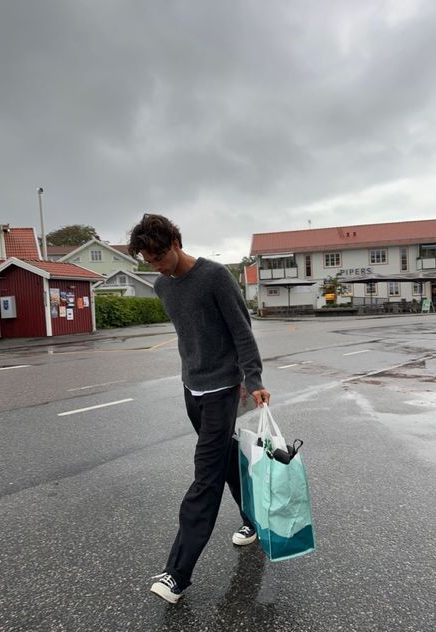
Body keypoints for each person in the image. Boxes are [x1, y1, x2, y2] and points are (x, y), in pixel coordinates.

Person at [128, 214, 270, 604]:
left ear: (175, 243)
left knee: (204, 477)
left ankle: (177, 574)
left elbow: (242, 331)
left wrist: (254, 381)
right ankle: (254, 520)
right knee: (224, 459)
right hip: (192, 389)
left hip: (224, 388)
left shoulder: (215, 277)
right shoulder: (162, 286)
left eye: (158, 257)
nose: (155, 266)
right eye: (148, 260)